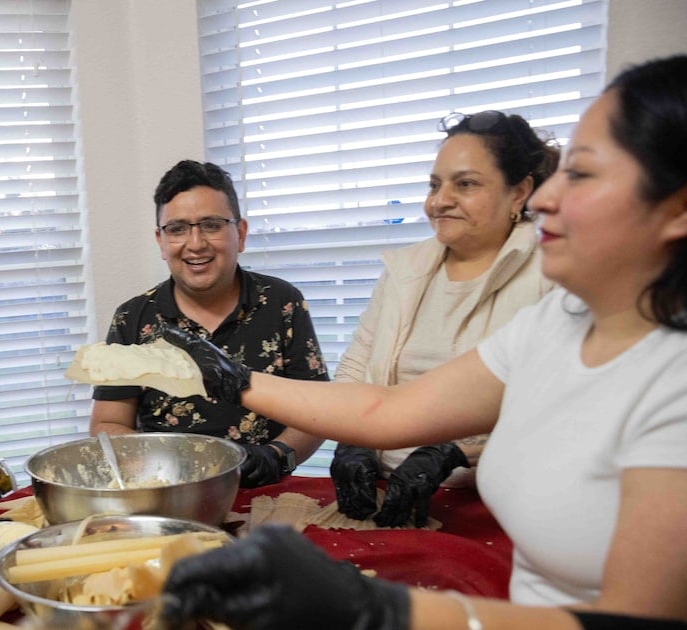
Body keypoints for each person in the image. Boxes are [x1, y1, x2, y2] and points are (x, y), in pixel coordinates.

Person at [157, 54, 687, 629]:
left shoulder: (673, 380)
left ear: (677, 206)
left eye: (581, 174)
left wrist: (383, 612)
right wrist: (237, 380)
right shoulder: (560, 320)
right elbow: (389, 408)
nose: (546, 200)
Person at [331, 111, 558, 528]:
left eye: (465, 184)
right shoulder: (404, 270)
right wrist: (352, 441)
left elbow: (558, 411)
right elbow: (355, 370)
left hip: (495, 506)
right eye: (435, 185)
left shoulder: (554, 275)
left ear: (519, 192)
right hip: (388, 499)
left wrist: (456, 452)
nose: (439, 201)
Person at [89, 160, 329, 488]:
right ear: (160, 241)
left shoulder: (282, 302)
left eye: (212, 225)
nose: (196, 243)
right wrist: (173, 466)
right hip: (166, 494)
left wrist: (277, 455)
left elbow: (318, 408)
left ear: (240, 234)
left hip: (267, 491)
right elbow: (107, 423)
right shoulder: (133, 318)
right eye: (177, 229)